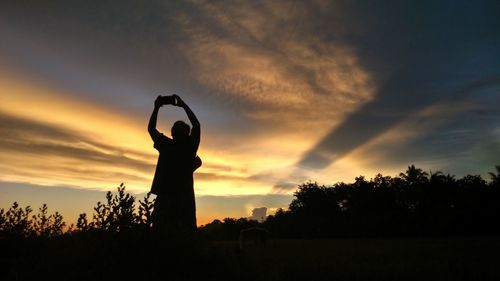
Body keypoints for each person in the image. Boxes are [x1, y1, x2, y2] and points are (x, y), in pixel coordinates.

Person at [148, 94, 201, 235]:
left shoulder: (190, 146)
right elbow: (151, 129)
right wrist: (156, 108)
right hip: (167, 197)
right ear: (172, 133)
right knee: (162, 234)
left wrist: (183, 105)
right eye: (175, 126)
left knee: (183, 235)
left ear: (186, 132)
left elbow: (196, 124)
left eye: (179, 126)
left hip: (182, 199)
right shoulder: (167, 144)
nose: (176, 127)